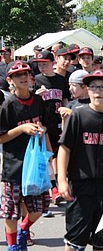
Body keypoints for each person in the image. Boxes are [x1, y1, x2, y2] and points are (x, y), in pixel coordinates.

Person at [57, 70, 103, 251]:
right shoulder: (78, 116)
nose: (98, 91)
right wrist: (61, 180)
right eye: (93, 86)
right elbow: (64, 149)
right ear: (87, 90)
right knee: (75, 241)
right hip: (80, 186)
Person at [0, 60, 51, 251]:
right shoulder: (8, 105)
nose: (23, 77)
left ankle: (24, 229)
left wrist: (42, 131)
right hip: (14, 166)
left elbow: (45, 125)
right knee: (11, 212)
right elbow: (1, 138)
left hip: (35, 164)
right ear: (10, 80)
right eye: (17, 75)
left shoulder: (38, 101)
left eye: (25, 74)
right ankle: (13, 245)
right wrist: (22, 128)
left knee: (39, 208)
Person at [34, 50, 70, 205]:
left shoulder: (61, 80)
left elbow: (65, 100)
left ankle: (56, 189)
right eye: (39, 64)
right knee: (48, 156)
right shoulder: (35, 80)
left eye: (45, 64)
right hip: (43, 123)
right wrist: (36, 95)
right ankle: (53, 189)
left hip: (58, 122)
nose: (42, 67)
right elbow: (31, 101)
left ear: (52, 63)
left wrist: (67, 118)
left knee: (57, 153)